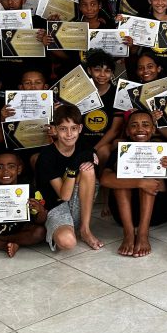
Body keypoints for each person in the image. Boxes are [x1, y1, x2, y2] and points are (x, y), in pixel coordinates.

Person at [100, 110, 167, 257]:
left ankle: (143, 234)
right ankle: (129, 234)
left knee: (150, 175)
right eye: (134, 126)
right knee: (120, 177)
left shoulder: (163, 149)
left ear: (153, 130)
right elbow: (104, 179)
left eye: (146, 125)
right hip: (123, 215)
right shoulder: (121, 150)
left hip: (158, 211)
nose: (140, 129)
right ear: (127, 131)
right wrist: (140, 182)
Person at [35, 104, 102, 252]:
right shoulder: (46, 156)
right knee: (68, 242)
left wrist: (89, 157)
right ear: (55, 130)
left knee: (88, 170)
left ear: (80, 128)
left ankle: (85, 229)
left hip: (78, 204)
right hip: (56, 206)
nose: (69, 134)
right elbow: (64, 196)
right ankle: (58, 227)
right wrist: (73, 167)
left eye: (73, 128)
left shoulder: (83, 146)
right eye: (63, 129)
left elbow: (92, 155)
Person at [0, 0, 51, 89]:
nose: (10, 2)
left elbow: (55, 56)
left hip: (35, 85)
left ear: (23, 0)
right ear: (0, 0)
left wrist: (47, 42)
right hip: (6, 81)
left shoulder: (39, 22)